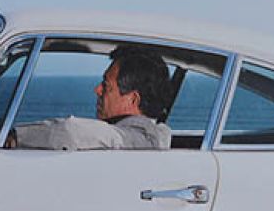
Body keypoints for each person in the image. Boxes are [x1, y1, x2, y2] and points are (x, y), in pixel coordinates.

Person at [11, 49, 172, 151]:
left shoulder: (139, 140)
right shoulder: (157, 133)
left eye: (106, 86)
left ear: (133, 100)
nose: (97, 90)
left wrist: (16, 136)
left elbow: (70, 132)